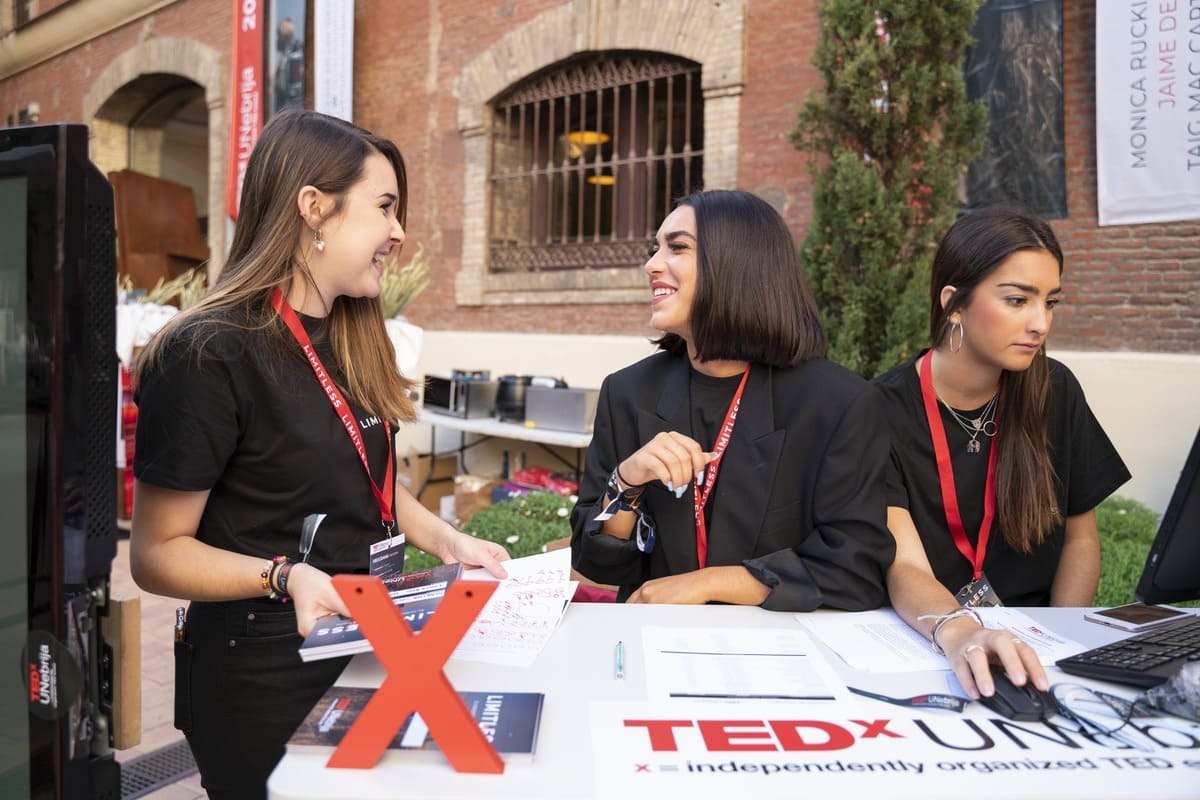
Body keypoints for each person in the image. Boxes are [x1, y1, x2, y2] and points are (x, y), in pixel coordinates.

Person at [130, 109, 509, 800]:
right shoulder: (209, 352)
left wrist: (448, 540)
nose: (399, 232)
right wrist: (285, 577)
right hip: (263, 674)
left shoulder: (354, 334)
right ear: (314, 208)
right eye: (385, 207)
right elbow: (156, 555)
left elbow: (364, 479)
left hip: (365, 645)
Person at [569, 189, 894, 610]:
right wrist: (626, 483)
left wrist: (710, 583)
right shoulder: (628, 391)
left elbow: (856, 570)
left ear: (737, 263)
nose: (651, 265)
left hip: (774, 644)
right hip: (652, 636)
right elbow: (597, 563)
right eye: (655, 249)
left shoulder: (838, 403)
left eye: (677, 248)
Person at [874, 207, 1130, 700]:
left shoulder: (1055, 390)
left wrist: (1058, 648)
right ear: (953, 304)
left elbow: (1080, 538)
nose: (1040, 323)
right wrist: (961, 633)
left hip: (1036, 641)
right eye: (1017, 300)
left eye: (1050, 302)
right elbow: (904, 565)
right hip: (931, 636)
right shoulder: (882, 410)